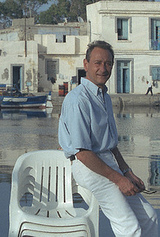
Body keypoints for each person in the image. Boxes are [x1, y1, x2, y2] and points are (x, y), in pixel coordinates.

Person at [58, 40, 158, 236]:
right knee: (128, 225)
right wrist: (119, 180)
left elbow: (110, 144)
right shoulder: (78, 99)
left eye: (108, 64)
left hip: (107, 162)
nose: (103, 69)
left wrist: (127, 172)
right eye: (97, 63)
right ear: (86, 65)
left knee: (150, 216)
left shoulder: (103, 96)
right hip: (88, 165)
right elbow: (83, 153)